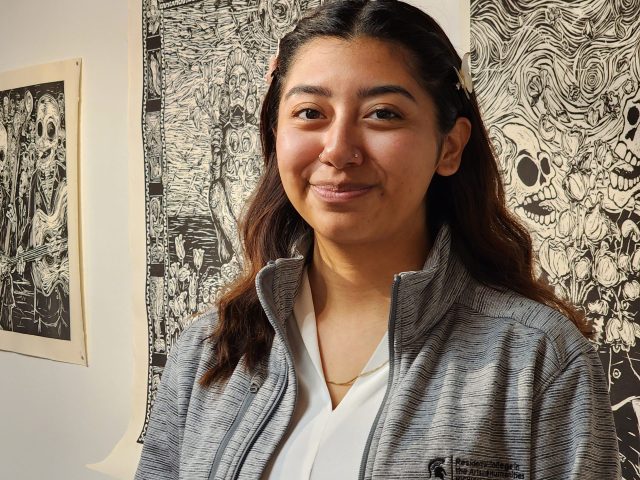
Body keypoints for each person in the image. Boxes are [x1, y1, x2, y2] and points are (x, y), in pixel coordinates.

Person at [135, 1, 620, 479]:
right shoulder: (209, 349)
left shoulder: (538, 359)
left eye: (383, 114)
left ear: (448, 146)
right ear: (275, 133)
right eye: (309, 112)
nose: (339, 149)